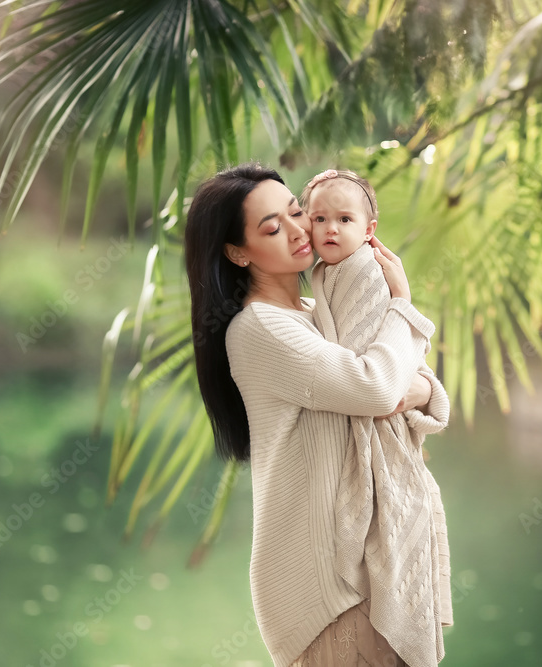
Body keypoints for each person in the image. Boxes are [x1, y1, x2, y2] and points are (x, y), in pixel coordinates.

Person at [184, 163, 451, 666]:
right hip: (327, 584)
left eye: (296, 212)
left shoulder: (318, 312)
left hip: (364, 564)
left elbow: (404, 380)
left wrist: (414, 388)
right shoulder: (261, 328)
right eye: (272, 228)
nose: (298, 230)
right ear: (238, 252)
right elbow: (377, 386)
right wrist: (402, 303)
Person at [301, 168, 452, 667]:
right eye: (319, 218)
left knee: (387, 527)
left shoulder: (366, 272)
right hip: (363, 408)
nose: (331, 228)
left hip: (379, 422)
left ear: (369, 230)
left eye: (344, 219)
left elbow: (378, 372)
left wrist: (416, 385)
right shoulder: (321, 279)